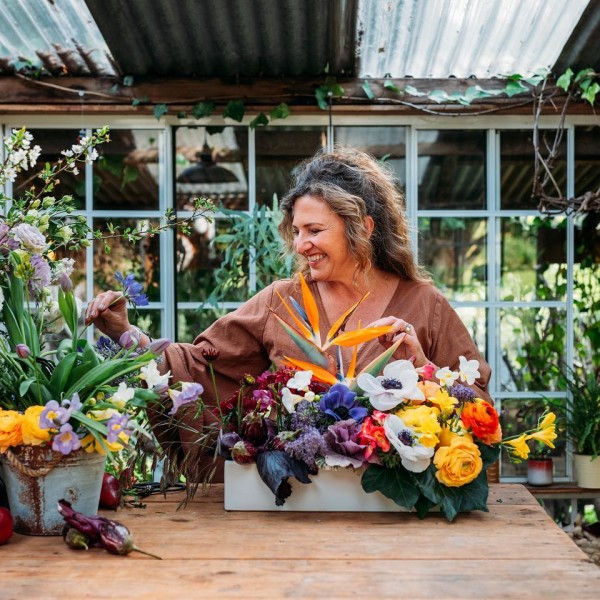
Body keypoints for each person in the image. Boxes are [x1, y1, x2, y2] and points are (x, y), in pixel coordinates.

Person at [85, 146, 491, 481]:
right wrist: (126, 335)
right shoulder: (280, 301)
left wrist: (424, 369)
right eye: (296, 232)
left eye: (314, 231)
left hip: (395, 517)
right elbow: (197, 368)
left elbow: (479, 412)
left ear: (363, 228)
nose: (300, 245)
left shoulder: (424, 304)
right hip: (297, 506)